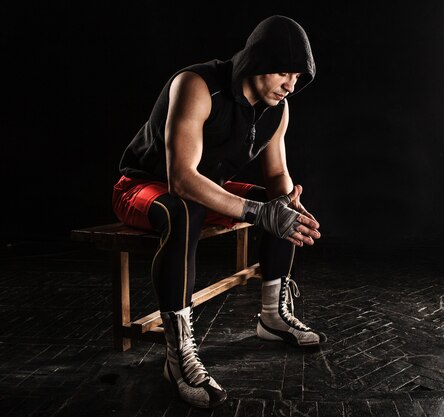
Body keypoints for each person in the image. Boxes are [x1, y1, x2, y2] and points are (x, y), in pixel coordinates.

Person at [111, 15, 324, 409]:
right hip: (143, 189)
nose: (290, 85)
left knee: (278, 205)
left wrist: (289, 206)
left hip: (206, 192)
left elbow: (276, 173)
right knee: (184, 209)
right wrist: (259, 213)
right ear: (256, 61)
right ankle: (177, 356)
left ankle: (271, 317)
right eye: (282, 72)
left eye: (296, 76)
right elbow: (181, 179)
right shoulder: (196, 84)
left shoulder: (279, 109)